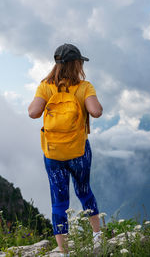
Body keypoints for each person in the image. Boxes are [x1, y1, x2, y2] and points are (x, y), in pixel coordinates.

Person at [28, 43, 103, 255]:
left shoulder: (45, 86)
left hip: (53, 153)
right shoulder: (84, 87)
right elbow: (96, 111)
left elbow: (33, 113)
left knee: (59, 200)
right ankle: (97, 235)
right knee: (84, 190)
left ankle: (63, 250)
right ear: (78, 63)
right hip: (78, 152)